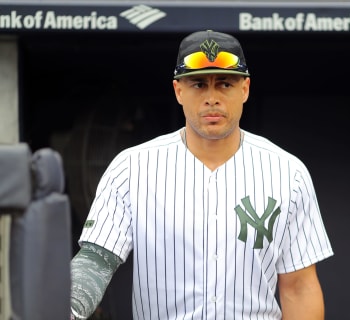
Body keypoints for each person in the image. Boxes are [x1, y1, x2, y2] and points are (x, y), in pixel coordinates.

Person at [70, 29, 334, 320]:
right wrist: (68, 307)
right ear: (178, 90)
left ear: (244, 89)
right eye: (198, 84)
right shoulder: (131, 168)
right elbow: (96, 262)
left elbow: (299, 288)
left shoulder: (288, 173)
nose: (212, 98)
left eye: (224, 84)